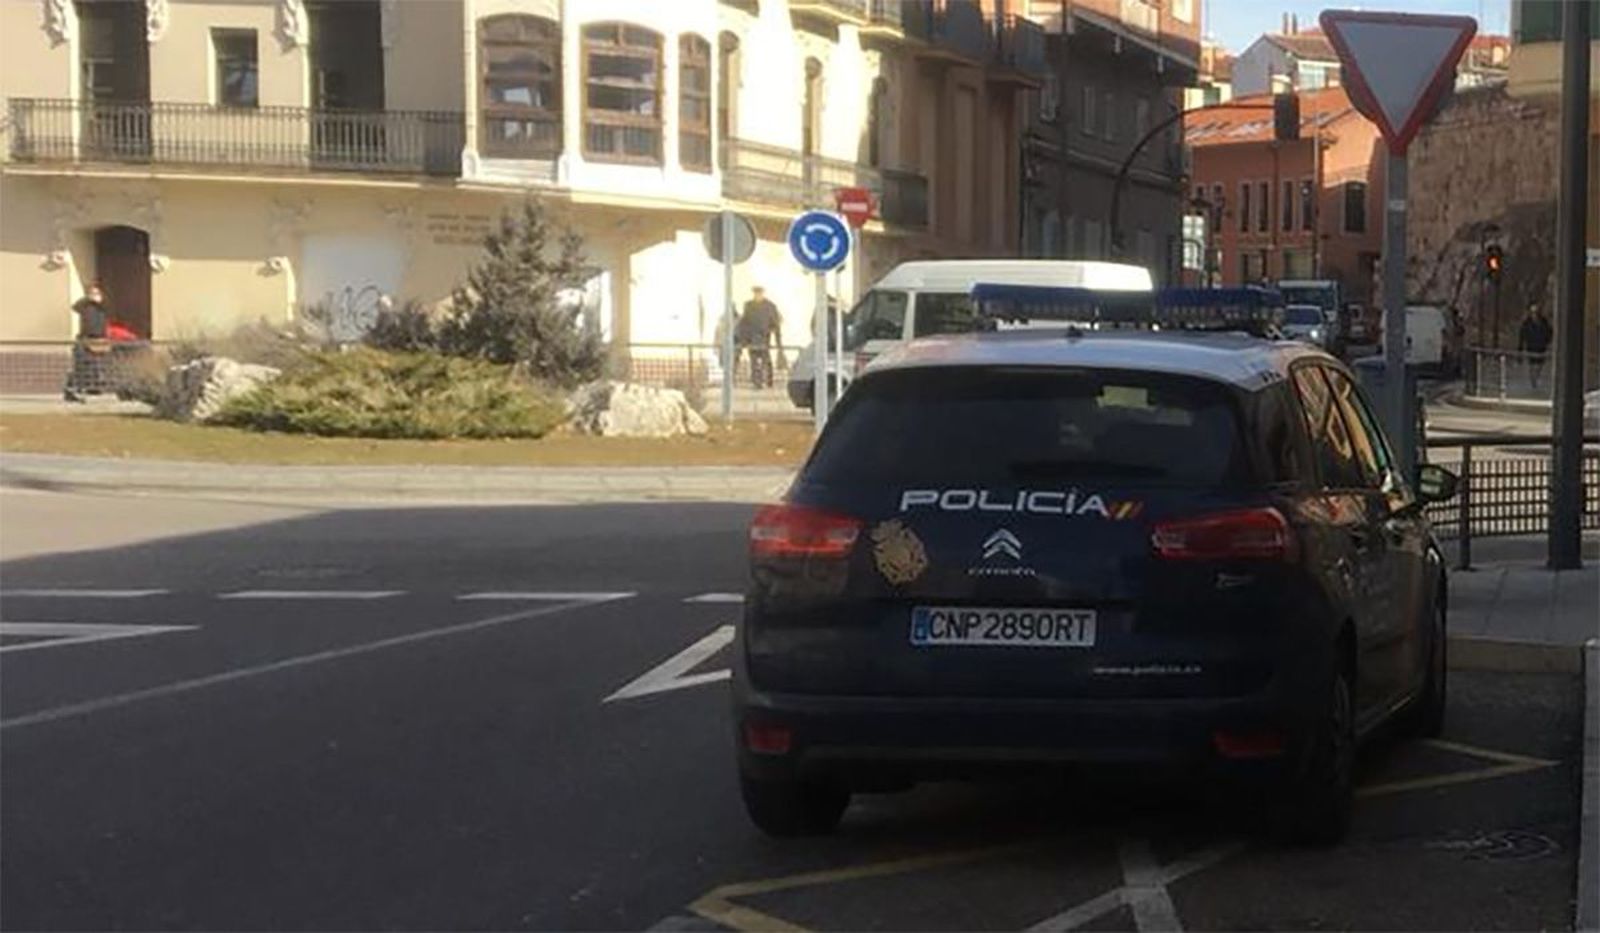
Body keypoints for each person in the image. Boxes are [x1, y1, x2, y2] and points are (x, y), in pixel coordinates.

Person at [64, 283, 111, 402]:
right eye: (92, 293)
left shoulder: (102, 308)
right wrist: (87, 298)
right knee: (81, 365)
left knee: (96, 365)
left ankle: (94, 387)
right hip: (85, 338)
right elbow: (75, 307)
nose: (95, 296)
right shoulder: (85, 306)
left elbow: (108, 310)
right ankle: (74, 388)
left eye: (97, 293)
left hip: (99, 339)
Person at [740, 286, 782, 390]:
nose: (757, 295)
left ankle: (768, 380)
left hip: (764, 337)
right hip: (752, 338)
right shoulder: (748, 306)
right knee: (754, 361)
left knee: (765, 360)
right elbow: (744, 324)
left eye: (759, 293)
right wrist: (744, 340)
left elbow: (776, 325)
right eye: (756, 293)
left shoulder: (770, 306)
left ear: (762, 293)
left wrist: (778, 342)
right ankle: (757, 382)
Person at [1517, 303, 1553, 390]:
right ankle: (1533, 381)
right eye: (1532, 312)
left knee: (1539, 365)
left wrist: (1547, 342)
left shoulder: (1544, 322)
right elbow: (1522, 336)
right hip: (1531, 346)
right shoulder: (1526, 323)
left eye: (1536, 312)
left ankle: (1536, 378)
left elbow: (1549, 332)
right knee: (1532, 365)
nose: (1534, 315)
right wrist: (1520, 351)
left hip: (1541, 347)